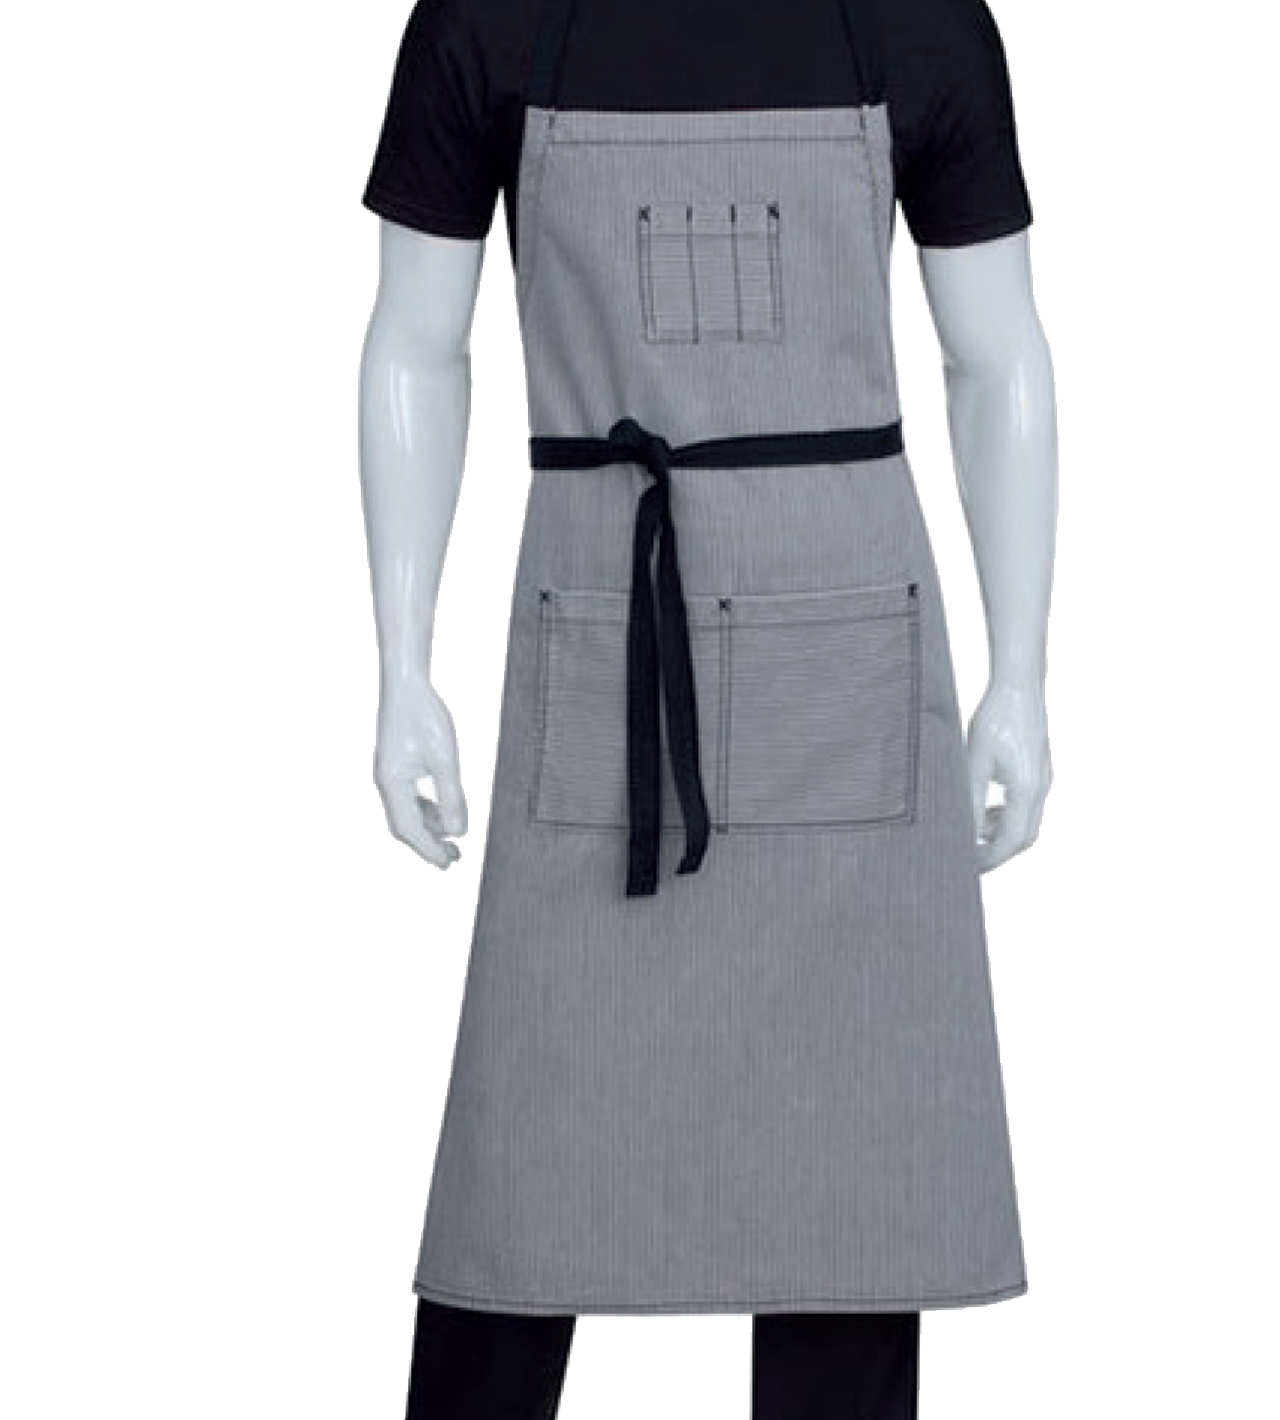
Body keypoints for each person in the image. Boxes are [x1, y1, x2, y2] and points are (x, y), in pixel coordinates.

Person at [357, 0, 1057, 1414]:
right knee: (517, 1190)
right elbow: (413, 347)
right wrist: (400, 667)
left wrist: (1024, 675)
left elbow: (1001, 361)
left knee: (847, 1219)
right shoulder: (489, 23)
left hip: (848, 656)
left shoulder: (918, 24)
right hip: (606, 635)